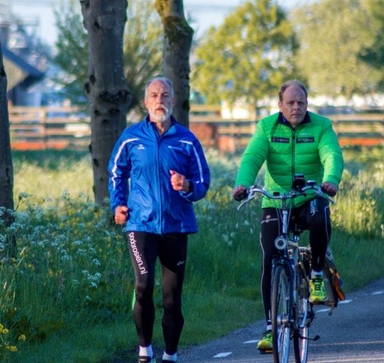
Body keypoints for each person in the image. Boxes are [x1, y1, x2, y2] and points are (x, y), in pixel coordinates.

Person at [232, 79, 344, 353]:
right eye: (291, 103)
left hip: (308, 195)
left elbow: (332, 155)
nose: (296, 107)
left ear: (307, 104)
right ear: (280, 105)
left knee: (320, 216)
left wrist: (330, 180)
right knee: (270, 259)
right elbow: (252, 158)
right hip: (276, 200)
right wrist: (243, 184)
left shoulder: (322, 126)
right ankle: (271, 329)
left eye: (301, 103)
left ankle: (316, 273)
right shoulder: (266, 127)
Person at [108, 77, 210, 363]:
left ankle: (171, 355)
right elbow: (116, 172)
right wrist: (119, 205)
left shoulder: (187, 140)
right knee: (143, 285)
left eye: (164, 95)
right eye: (154, 95)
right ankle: (144, 351)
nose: (159, 100)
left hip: (176, 226)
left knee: (171, 298)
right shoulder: (131, 137)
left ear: (173, 101)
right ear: (145, 102)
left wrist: (187, 185)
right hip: (141, 225)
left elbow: (203, 181)